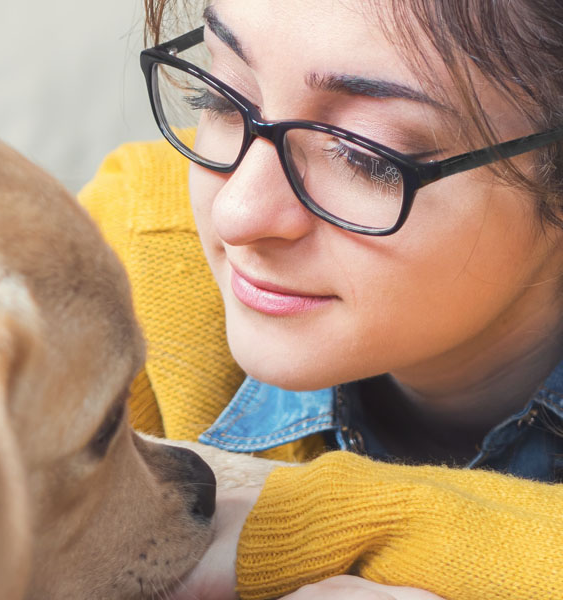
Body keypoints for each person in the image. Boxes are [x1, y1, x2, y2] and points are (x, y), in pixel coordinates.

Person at [79, 0, 563, 598]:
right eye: (223, 96)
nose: (237, 213)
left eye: (364, 151)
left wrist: (309, 523)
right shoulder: (130, 253)